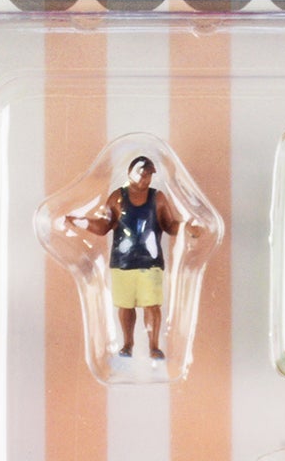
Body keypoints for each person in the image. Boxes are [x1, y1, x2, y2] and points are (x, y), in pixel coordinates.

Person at [63, 154, 199, 360]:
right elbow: (104, 225)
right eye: (142, 175)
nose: (146, 180)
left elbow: (169, 225)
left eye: (149, 176)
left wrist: (186, 227)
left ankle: (154, 346)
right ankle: (127, 344)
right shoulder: (117, 198)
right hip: (122, 262)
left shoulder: (158, 198)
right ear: (130, 173)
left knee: (152, 305)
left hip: (150, 263)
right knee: (125, 306)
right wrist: (81, 222)